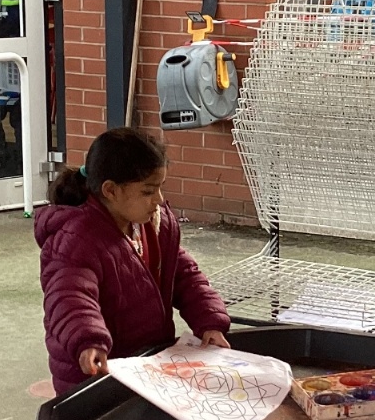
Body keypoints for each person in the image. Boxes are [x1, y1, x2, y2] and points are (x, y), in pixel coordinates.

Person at [35, 127, 231, 397]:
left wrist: (209, 321)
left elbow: (185, 276)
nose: (159, 200)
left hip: (146, 364)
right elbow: (70, 297)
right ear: (111, 190)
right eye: (148, 191)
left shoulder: (153, 224)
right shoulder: (77, 239)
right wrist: (88, 340)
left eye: (160, 187)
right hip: (95, 374)